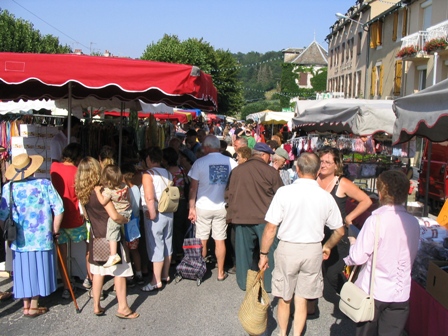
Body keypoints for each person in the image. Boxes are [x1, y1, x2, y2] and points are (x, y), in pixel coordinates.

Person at [258, 152, 344, 336]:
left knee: (284, 297)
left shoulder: (284, 192)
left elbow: (271, 228)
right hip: (313, 248)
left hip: (288, 248)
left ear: (297, 169)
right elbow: (340, 230)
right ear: (317, 170)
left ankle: (283, 333)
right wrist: (327, 245)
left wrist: (263, 254)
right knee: (302, 298)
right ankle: (297, 334)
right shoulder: (325, 196)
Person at [343, 170, 420, 336]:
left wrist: (352, 243)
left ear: (381, 192)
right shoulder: (414, 223)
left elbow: (358, 256)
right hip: (400, 292)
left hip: (374, 290)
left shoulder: (375, 220)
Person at [1, 153, 64, 317]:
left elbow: (2, 216)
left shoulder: (9, 187)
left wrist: (7, 233)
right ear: (31, 169)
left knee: (23, 270)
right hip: (42, 236)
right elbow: (59, 208)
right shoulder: (44, 184)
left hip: (19, 239)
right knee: (38, 268)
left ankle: (25, 305)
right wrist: (55, 230)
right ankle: (34, 304)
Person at [75, 157, 139, 319]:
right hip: (111, 236)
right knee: (119, 272)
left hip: (96, 235)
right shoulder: (102, 192)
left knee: (99, 272)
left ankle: (96, 305)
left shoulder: (83, 193)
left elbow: (87, 217)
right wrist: (126, 219)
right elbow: (115, 216)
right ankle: (123, 308)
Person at [225, 142, 283, 292]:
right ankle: (270, 285)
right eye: (269, 156)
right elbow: (281, 195)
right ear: (263, 155)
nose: (270, 159)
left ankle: (245, 284)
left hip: (241, 217)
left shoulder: (237, 171)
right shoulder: (271, 172)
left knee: (243, 254)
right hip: (266, 219)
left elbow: (229, 194)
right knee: (269, 252)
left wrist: (231, 215)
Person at [317, 146, 373, 294]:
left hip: (337, 235)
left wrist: (349, 217)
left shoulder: (342, 183)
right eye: (321, 161)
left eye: (328, 162)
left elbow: (366, 201)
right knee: (314, 272)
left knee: (333, 273)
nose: (323, 165)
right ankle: (310, 306)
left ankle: (349, 300)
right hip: (315, 234)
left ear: (337, 165)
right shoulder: (314, 179)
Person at [188, 135, 237, 281]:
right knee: (220, 240)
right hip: (222, 206)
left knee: (202, 240)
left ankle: (201, 272)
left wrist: (191, 207)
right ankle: (221, 272)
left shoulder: (199, 162)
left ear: (208, 147)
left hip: (203, 206)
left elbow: (193, 188)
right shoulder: (230, 162)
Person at [50, 143, 92, 298]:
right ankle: (89, 277)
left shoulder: (54, 167)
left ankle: (67, 286)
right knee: (89, 245)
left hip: (58, 219)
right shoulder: (78, 171)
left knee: (62, 251)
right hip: (76, 217)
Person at [140, 146, 174, 291]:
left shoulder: (148, 174)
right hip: (169, 212)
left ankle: (155, 280)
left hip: (155, 213)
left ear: (149, 158)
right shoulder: (168, 173)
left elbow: (149, 196)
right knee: (167, 242)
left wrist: (152, 213)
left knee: (156, 245)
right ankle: (165, 274)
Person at [95, 165, 132, 268]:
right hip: (128, 210)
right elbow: (129, 198)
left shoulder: (109, 191)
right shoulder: (124, 185)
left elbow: (103, 201)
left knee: (112, 230)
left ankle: (113, 254)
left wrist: (98, 191)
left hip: (119, 213)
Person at [162, 147, 190, 264]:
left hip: (170, 203)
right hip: (182, 201)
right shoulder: (181, 169)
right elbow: (187, 184)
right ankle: (181, 252)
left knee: (171, 230)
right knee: (180, 228)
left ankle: (172, 254)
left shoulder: (166, 172)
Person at [121, 164, 144, 286]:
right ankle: (139, 273)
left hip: (126, 223)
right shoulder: (136, 188)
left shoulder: (124, 190)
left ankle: (130, 276)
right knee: (135, 250)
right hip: (135, 223)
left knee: (126, 251)